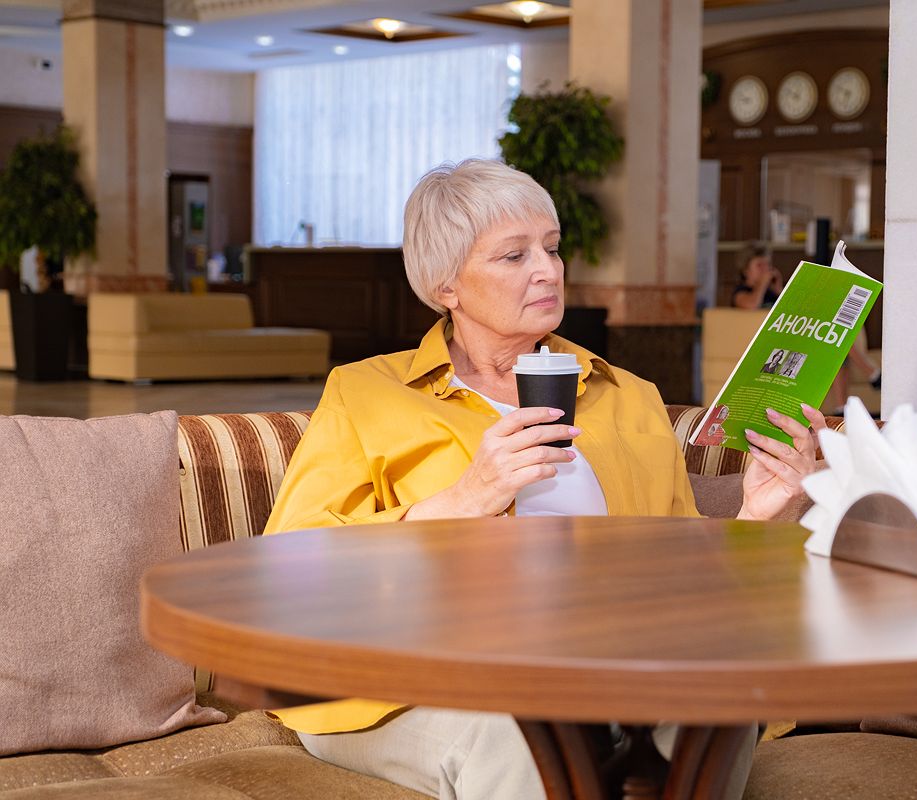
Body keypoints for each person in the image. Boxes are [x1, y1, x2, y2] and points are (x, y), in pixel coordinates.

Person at [263, 158, 828, 800]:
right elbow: (290, 564)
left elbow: (683, 580)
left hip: (606, 670)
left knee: (721, 701)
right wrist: (463, 500)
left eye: (552, 248)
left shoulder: (629, 396)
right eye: (514, 255)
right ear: (446, 284)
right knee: (528, 731)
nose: (548, 270)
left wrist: (758, 520)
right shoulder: (367, 392)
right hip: (407, 682)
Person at [731, 244, 783, 309]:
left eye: (768, 264)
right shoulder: (740, 292)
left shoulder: (772, 293)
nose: (766, 269)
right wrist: (762, 284)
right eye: (759, 265)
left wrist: (779, 290)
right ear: (745, 270)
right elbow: (751, 306)